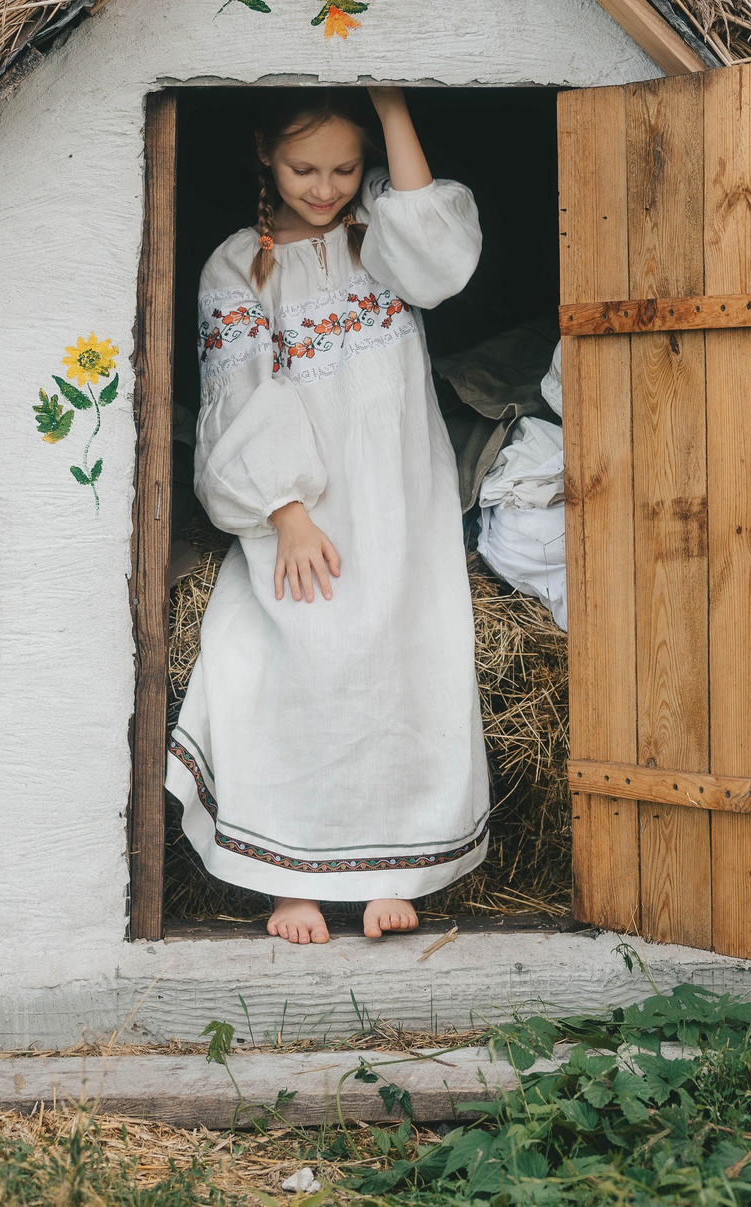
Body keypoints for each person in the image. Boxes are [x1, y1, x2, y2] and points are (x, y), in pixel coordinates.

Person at [168, 86, 489, 944]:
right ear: (265, 157)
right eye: (304, 167)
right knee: (295, 658)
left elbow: (442, 257)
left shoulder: (379, 235)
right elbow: (237, 387)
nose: (325, 186)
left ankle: (391, 865)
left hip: (396, 492)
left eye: (345, 167)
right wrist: (285, 508)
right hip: (301, 505)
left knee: (402, 652)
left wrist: (391, 107)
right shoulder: (238, 265)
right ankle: (290, 880)